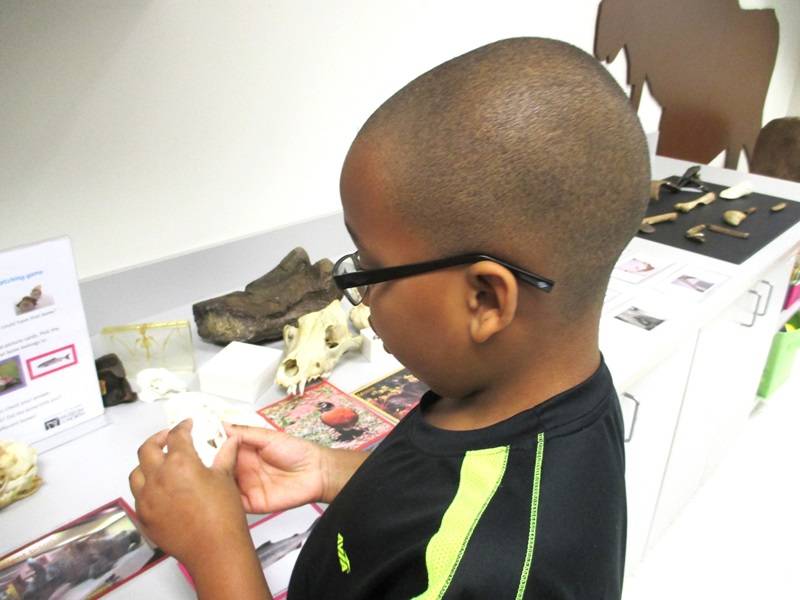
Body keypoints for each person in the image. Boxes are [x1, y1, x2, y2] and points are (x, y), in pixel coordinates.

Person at [129, 37, 650, 599]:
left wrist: (215, 548)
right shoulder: (530, 389)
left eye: (372, 270)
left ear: (485, 301)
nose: (363, 297)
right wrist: (329, 473)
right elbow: (443, 491)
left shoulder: (489, 578)